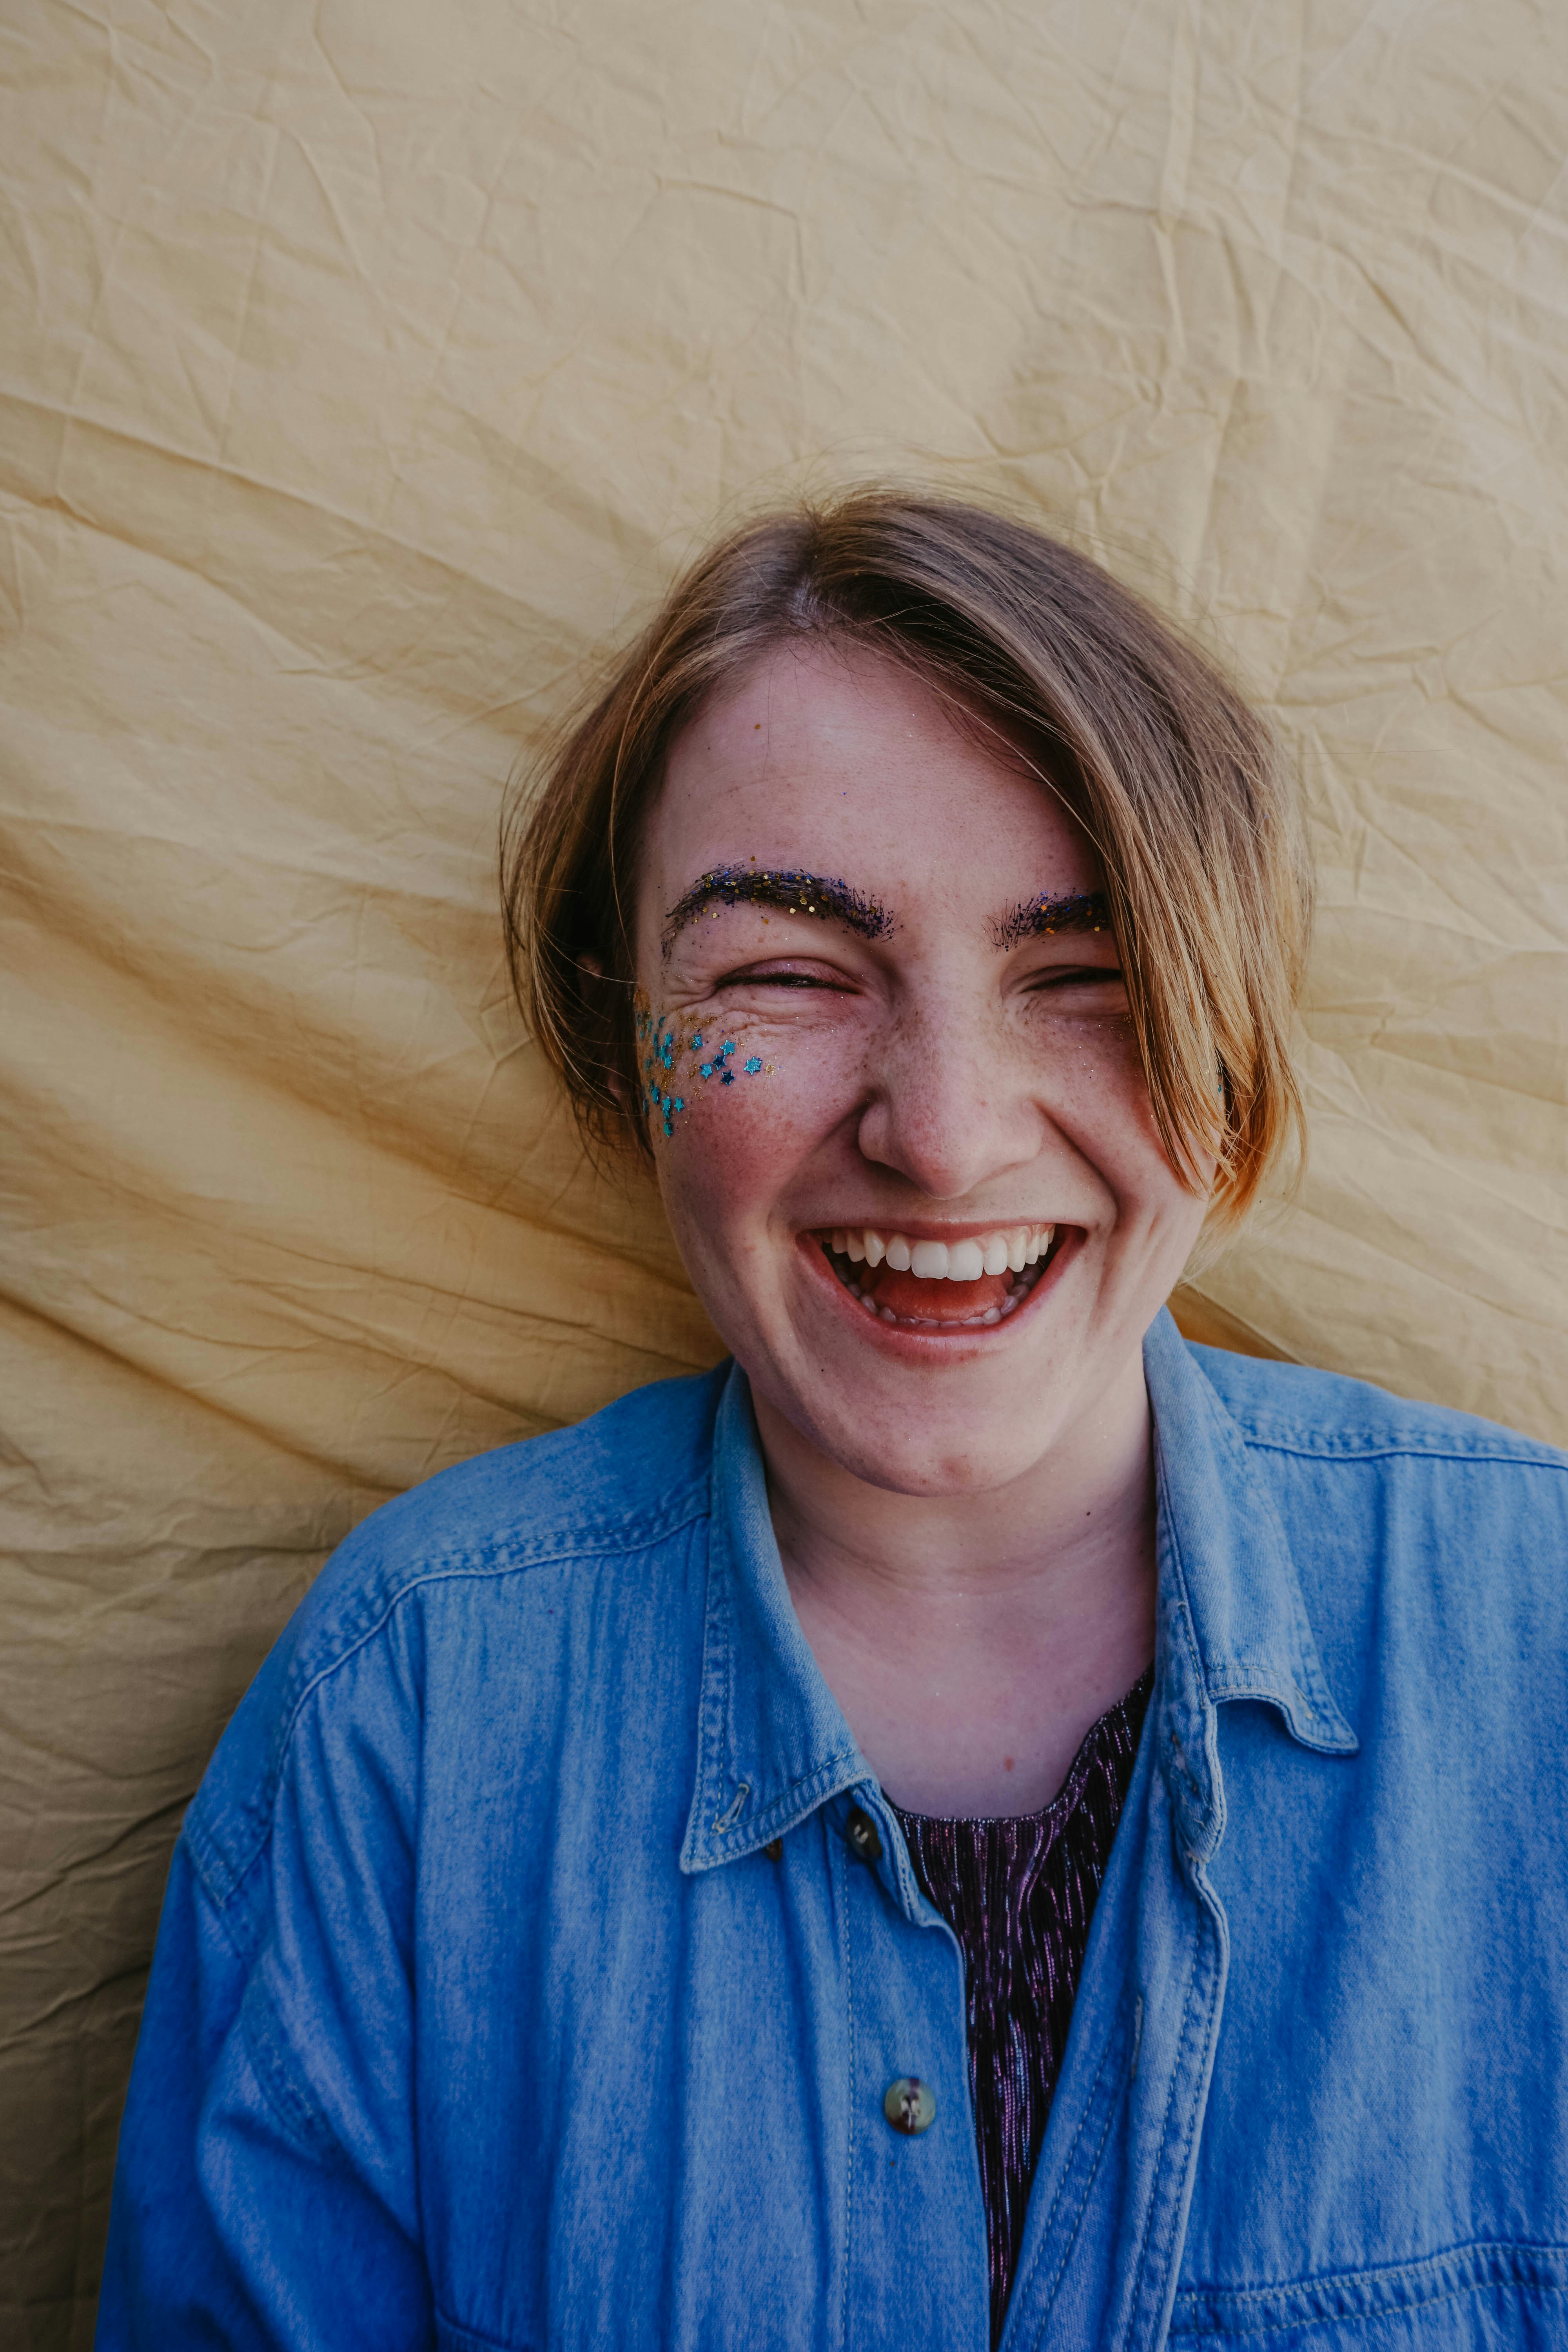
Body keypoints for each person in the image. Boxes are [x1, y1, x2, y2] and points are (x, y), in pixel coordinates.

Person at [96, 493, 1568, 2352]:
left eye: (1086, 976)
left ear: (1234, 1035)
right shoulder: (404, 1714)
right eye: (785, 973)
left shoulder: (1542, 1638)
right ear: (616, 1036)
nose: (945, 1134)